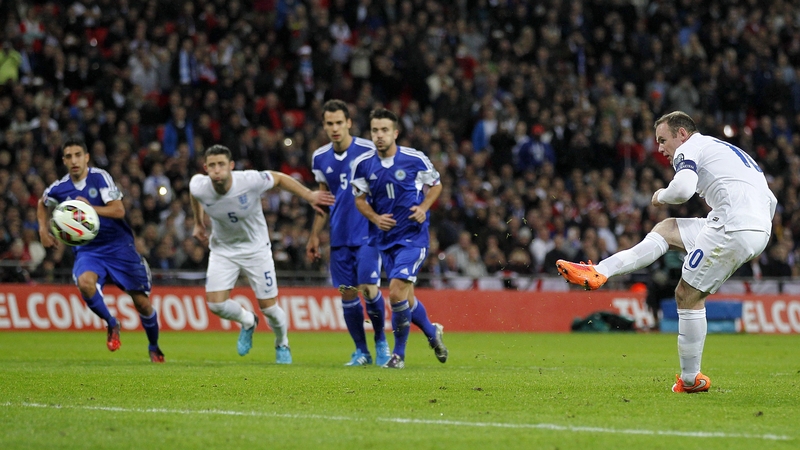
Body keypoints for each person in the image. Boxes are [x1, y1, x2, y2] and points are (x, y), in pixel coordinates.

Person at [556, 111, 777, 393]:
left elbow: (682, 190)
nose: (660, 148)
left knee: (687, 295)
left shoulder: (690, 147)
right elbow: (771, 199)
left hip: (732, 226)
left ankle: (690, 380)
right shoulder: (728, 150)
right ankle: (600, 270)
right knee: (667, 229)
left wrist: (660, 195)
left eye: (663, 140)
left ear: (681, 134)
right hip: (755, 227)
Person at [190, 144, 334, 364]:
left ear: (231, 166)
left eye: (221, 164)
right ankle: (247, 320)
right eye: (212, 166)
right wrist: (199, 223)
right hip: (223, 250)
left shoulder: (249, 181)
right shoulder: (199, 186)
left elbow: (278, 178)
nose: (216, 170)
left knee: (270, 308)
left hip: (256, 249)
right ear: (205, 168)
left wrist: (309, 195)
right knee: (216, 304)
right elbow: (195, 196)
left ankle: (282, 342)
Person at [37, 139, 165, 363]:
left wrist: (87, 207)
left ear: (86, 157)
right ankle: (112, 322)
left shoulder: (100, 177)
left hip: (118, 247)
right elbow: (42, 203)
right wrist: (42, 230)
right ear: (64, 161)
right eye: (69, 156)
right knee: (85, 283)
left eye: (78, 155)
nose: (74, 160)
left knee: (142, 303)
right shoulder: (60, 187)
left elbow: (119, 210)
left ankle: (154, 346)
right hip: (89, 250)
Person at [351, 107, 448, 369]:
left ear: (395, 133)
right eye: (374, 130)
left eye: (384, 130)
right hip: (384, 239)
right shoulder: (363, 165)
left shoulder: (415, 159)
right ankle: (432, 333)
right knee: (408, 299)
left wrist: (424, 208)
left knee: (395, 294)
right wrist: (374, 218)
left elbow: (436, 185)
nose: (379, 135)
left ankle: (399, 356)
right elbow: (359, 199)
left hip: (413, 238)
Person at [306, 99, 391, 366]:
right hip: (339, 238)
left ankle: (381, 342)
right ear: (324, 125)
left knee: (369, 289)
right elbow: (323, 200)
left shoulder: (368, 151)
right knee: (347, 293)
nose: (335, 128)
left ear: (349, 123)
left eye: (339, 123)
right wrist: (313, 236)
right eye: (329, 123)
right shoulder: (320, 157)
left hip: (367, 234)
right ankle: (361, 351)